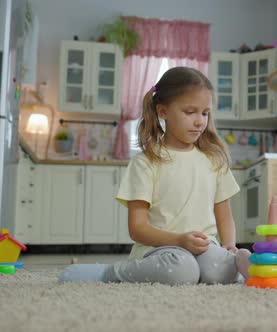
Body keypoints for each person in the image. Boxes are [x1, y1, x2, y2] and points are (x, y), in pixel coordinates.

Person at [59, 67, 251, 285]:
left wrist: (229, 244)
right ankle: (109, 273)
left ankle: (233, 261)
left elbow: (224, 215)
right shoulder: (145, 162)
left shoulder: (214, 160)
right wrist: (179, 240)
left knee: (219, 271)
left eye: (205, 113)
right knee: (183, 270)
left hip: (205, 247)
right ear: (163, 112)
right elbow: (137, 229)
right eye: (190, 112)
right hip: (159, 249)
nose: (199, 121)